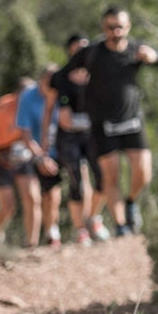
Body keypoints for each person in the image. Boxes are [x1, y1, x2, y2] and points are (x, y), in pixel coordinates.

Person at [65, 7, 158, 236]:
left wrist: (156, 57)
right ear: (104, 29)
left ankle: (131, 201)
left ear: (128, 26)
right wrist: (65, 100)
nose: (116, 31)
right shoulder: (91, 53)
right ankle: (121, 225)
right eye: (111, 27)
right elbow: (61, 78)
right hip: (103, 124)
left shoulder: (136, 49)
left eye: (120, 26)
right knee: (110, 177)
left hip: (132, 120)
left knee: (144, 172)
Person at [0, 77, 56, 248]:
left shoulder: (36, 107)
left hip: (23, 157)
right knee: (8, 206)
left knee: (33, 198)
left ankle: (31, 244)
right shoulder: (2, 108)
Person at [48, 34, 108, 243]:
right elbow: (64, 119)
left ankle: (93, 218)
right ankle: (80, 229)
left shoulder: (99, 76)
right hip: (69, 140)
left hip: (93, 137)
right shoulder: (62, 78)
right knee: (78, 183)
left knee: (104, 178)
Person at [18, 62, 65, 248]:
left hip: (56, 152)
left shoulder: (63, 95)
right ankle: (31, 242)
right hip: (31, 153)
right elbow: (25, 134)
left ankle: (51, 232)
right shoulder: (28, 97)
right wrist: (40, 157)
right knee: (32, 198)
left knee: (52, 197)